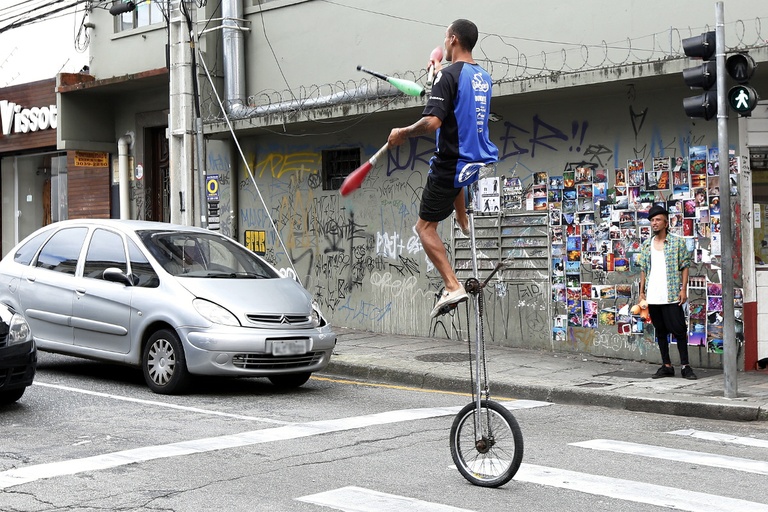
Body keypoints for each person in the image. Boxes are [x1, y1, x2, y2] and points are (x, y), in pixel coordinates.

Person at [388, 19, 498, 318]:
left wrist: (402, 132)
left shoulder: (448, 76)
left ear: (452, 39)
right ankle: (462, 219)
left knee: (424, 227)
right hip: (475, 160)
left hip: (451, 162)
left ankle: (452, 285)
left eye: (445, 39)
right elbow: (456, 101)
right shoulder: (482, 77)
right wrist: (437, 74)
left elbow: (432, 122)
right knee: (455, 181)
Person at [638, 204, 697, 380]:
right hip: (653, 296)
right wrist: (641, 292)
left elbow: (685, 266)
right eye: (652, 221)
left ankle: (686, 366)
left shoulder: (677, 242)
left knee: (679, 330)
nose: (654, 223)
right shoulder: (646, 245)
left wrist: (683, 289)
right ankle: (666, 365)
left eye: (657, 220)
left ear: (665, 222)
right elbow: (643, 269)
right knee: (661, 331)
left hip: (671, 294)